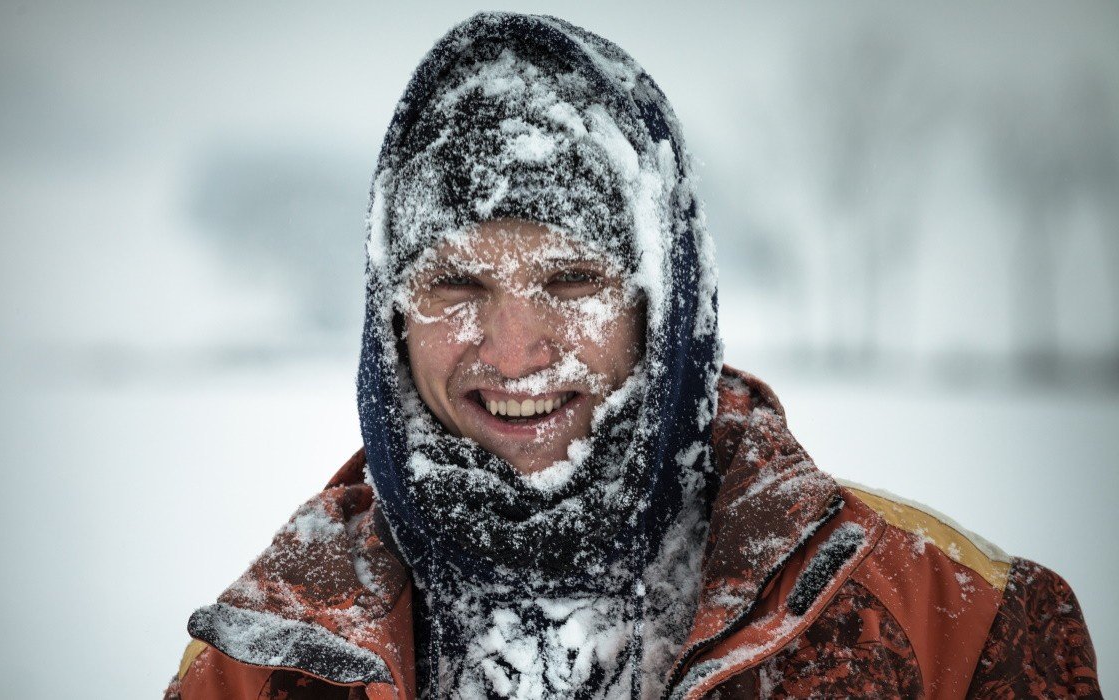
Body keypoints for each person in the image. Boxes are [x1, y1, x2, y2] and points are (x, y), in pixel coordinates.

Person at [165, 12, 1100, 699]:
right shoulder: (264, 660)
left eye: (573, 282)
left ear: (667, 307)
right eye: (457, 287)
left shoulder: (947, 624)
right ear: (390, 319)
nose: (516, 351)